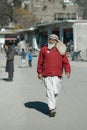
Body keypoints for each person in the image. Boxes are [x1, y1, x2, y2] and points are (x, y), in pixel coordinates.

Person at [37, 34, 71, 117]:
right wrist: (39, 72)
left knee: (55, 92)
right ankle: (52, 109)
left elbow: (65, 62)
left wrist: (68, 71)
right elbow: (40, 61)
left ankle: (52, 105)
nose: (50, 41)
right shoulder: (44, 49)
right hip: (46, 75)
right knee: (50, 91)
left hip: (57, 75)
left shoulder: (61, 50)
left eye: (52, 40)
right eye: (50, 39)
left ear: (56, 41)